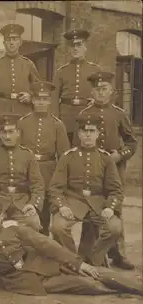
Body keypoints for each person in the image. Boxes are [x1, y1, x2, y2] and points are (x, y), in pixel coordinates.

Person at [0, 197, 142, 296]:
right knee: (85, 284)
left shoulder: (14, 228)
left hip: (46, 263)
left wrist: (78, 263)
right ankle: (119, 292)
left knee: (98, 272)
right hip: (26, 280)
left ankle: (137, 288)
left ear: (2, 215)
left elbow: (46, 243)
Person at [76, 71, 138, 270]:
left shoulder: (119, 114)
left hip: (114, 169)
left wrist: (119, 155)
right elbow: (77, 143)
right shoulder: (84, 115)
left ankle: (118, 254)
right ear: (92, 92)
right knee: (92, 207)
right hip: (91, 169)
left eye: (104, 89)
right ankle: (88, 253)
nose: (100, 92)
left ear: (111, 91)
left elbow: (131, 142)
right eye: (96, 89)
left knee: (114, 208)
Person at [49, 114, 124, 268]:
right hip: (73, 203)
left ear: (98, 134)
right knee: (58, 226)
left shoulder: (106, 158)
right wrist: (62, 206)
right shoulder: (67, 157)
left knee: (115, 228)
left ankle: (93, 258)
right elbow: (55, 188)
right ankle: (71, 261)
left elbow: (116, 189)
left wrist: (110, 207)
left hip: (98, 205)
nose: (88, 134)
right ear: (79, 134)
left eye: (92, 131)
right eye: (84, 131)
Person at [17, 81, 70, 236]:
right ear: (32, 100)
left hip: (48, 171)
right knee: (28, 211)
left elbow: (64, 157)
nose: (41, 102)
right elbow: (18, 151)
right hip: (27, 173)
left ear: (49, 101)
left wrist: (59, 180)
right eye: (38, 99)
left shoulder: (57, 125)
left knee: (45, 213)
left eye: (44, 99)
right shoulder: (23, 123)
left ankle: (45, 246)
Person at [0, 114, 44, 231]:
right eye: (4, 132)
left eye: (11, 132)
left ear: (18, 132)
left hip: (22, 203)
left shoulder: (28, 154)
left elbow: (37, 184)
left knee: (33, 223)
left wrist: (32, 204)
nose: (7, 136)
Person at [51, 29, 101, 143]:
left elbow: (103, 93)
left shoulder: (95, 70)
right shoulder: (61, 71)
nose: (75, 48)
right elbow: (54, 98)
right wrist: (56, 120)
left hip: (88, 116)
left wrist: (96, 102)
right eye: (72, 45)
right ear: (68, 49)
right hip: (66, 118)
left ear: (85, 47)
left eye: (79, 44)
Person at [0, 24, 41, 115]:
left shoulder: (28, 64)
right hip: (2, 110)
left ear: (20, 42)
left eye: (15, 39)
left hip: (23, 110)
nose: (11, 43)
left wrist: (31, 97)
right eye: (8, 40)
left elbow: (39, 89)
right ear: (4, 43)